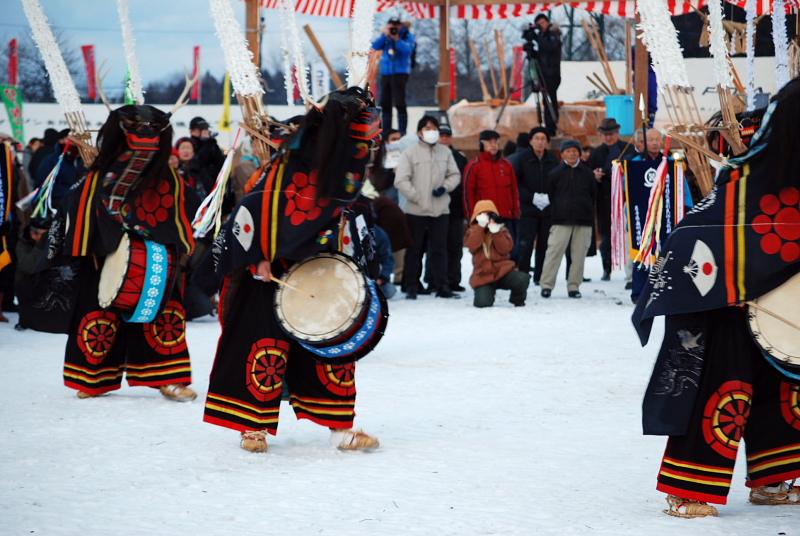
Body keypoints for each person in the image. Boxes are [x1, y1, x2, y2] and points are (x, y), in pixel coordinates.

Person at [633, 78, 800, 518]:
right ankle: (688, 488)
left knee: (782, 391)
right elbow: (689, 246)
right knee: (722, 390)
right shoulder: (734, 196)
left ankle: (773, 478)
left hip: (777, 315)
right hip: (724, 310)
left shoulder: (785, 190)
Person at [203, 87, 384, 453]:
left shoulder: (346, 160)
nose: (367, 151)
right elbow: (257, 204)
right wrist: (256, 257)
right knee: (259, 346)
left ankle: (339, 427)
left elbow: (346, 208)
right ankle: (251, 425)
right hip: (271, 268)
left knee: (330, 350)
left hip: (320, 267)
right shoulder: (295, 157)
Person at [50, 104, 198, 402]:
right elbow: (76, 209)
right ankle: (94, 378)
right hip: (105, 256)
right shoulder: (98, 174)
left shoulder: (167, 178)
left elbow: (183, 212)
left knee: (166, 314)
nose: (145, 138)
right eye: (135, 130)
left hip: (156, 259)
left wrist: (169, 246)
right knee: (98, 312)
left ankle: (169, 378)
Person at [394, 115, 460, 299]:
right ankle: (411, 285)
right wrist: (415, 196)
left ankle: (441, 285)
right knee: (415, 249)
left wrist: (445, 187)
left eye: (434, 128)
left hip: (440, 209)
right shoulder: (410, 153)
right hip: (416, 209)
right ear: (419, 132)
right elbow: (401, 180)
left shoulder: (445, 152)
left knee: (439, 249)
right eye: (427, 128)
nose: (431, 132)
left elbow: (455, 175)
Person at [539, 139, 596, 299]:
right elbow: (549, 195)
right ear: (562, 153)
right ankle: (547, 285)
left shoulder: (587, 173)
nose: (572, 154)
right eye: (568, 151)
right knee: (553, 253)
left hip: (583, 220)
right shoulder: (554, 173)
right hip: (560, 220)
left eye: (575, 151)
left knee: (578, 256)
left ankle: (574, 286)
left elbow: (593, 195)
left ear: (579, 153)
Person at [508, 126, 559, 283]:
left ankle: (540, 276)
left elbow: (557, 182)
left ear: (547, 142)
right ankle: (523, 274)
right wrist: (532, 197)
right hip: (528, 209)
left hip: (547, 209)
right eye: (536, 138)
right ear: (530, 141)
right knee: (525, 243)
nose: (540, 142)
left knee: (544, 244)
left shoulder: (552, 159)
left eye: (543, 139)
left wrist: (549, 197)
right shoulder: (522, 159)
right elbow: (515, 183)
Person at [588, 117, 635, 280]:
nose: (608, 137)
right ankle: (606, 268)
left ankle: (631, 270)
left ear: (617, 133)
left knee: (630, 235)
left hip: (626, 199)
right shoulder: (596, 153)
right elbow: (589, 176)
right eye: (605, 134)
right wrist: (596, 177)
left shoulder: (628, 149)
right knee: (606, 237)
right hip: (605, 200)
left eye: (611, 134)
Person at [465, 200, 530, 308]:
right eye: (483, 214)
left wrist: (496, 233)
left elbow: (505, 249)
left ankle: (517, 299)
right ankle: (487, 293)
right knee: (482, 303)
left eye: (490, 214)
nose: (487, 218)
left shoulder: (502, 230)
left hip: (503, 272)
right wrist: (480, 227)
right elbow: (472, 246)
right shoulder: (472, 231)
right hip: (483, 276)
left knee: (522, 279)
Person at [463, 130, 520, 239]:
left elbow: (514, 191)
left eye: (496, 142)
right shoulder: (474, 166)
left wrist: (516, 214)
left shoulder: (506, 165)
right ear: (481, 144)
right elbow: (468, 194)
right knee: (485, 253)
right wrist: (472, 217)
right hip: (484, 218)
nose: (493, 145)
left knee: (508, 251)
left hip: (506, 218)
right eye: (489, 142)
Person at [372, 18, 415, 136]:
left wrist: (397, 39)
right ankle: (386, 132)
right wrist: (385, 36)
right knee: (385, 103)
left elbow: (408, 51)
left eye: (396, 26)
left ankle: (402, 132)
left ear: (401, 26)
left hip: (400, 73)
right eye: (391, 26)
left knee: (400, 102)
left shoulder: (407, 35)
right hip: (386, 73)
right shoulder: (385, 36)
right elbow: (375, 47)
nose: (394, 28)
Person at [438, 125, 468, 291]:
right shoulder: (431, 154)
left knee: (456, 246)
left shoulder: (459, 157)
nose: (444, 138)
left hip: (455, 209)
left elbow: (463, 183)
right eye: (441, 136)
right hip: (436, 209)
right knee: (437, 247)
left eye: (446, 136)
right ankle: (436, 280)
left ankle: (454, 280)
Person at [532, 13, 562, 136]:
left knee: (551, 100)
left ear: (548, 22)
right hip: (543, 73)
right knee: (545, 100)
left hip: (552, 74)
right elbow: (541, 54)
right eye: (539, 24)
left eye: (543, 23)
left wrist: (537, 38)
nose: (541, 26)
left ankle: (552, 127)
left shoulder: (554, 34)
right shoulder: (542, 37)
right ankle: (546, 125)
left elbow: (550, 48)